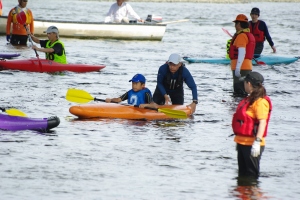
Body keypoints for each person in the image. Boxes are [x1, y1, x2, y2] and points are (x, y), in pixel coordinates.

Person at [232, 71, 272, 179]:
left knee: (251, 175)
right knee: (242, 176)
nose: (243, 84)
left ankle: (253, 194)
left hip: (252, 144)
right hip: (241, 142)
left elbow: (262, 122)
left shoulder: (260, 102)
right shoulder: (249, 100)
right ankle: (242, 194)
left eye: (244, 82)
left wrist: (257, 142)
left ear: (249, 84)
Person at [229, 14, 255, 96]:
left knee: (239, 93)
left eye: (235, 24)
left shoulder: (241, 36)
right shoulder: (247, 34)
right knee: (244, 93)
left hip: (241, 68)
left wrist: (237, 68)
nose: (235, 26)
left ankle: (239, 108)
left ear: (239, 24)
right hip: (247, 67)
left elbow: (242, 52)